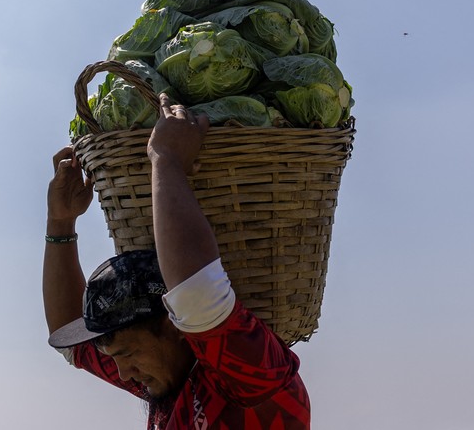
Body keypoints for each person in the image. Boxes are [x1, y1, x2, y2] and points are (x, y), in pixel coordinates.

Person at [43, 94, 311, 429]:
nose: (123, 374)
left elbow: (197, 294)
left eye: (127, 355)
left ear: (175, 325)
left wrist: (166, 160)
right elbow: (68, 335)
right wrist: (60, 223)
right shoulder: (168, 378)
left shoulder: (251, 376)